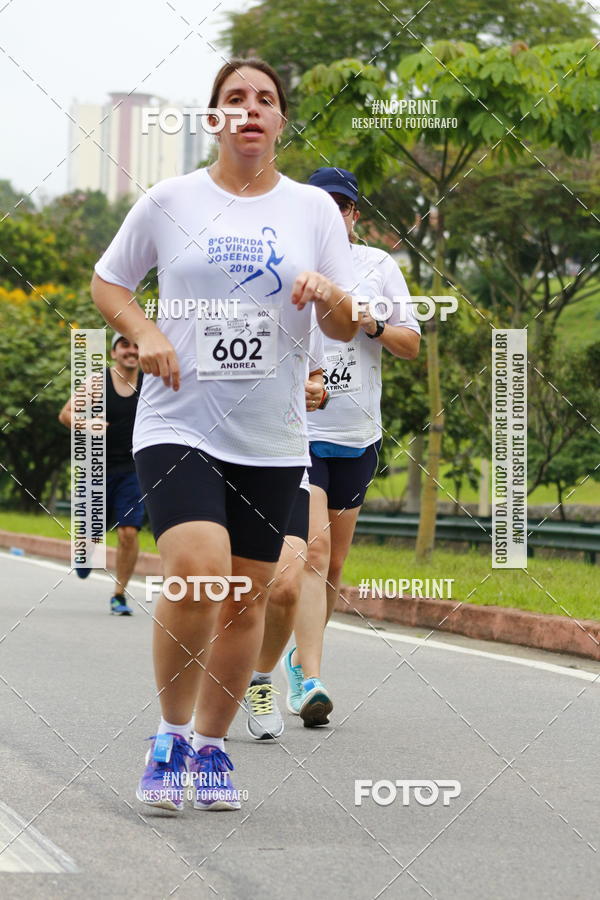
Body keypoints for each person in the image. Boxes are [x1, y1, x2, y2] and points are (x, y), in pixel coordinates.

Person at [90, 59, 358, 811]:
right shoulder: (170, 200)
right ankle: (169, 736)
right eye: (235, 98)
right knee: (199, 572)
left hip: (272, 436)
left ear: (280, 122)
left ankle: (211, 751)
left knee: (245, 599)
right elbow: (108, 280)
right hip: (178, 422)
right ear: (213, 118)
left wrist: (330, 292)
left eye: (265, 100)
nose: (250, 109)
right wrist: (144, 331)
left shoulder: (311, 211)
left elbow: (342, 323)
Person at [282, 167, 421, 727]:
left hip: (358, 436)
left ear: (354, 215)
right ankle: (310, 679)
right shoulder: (291, 265)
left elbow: (411, 343)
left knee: (334, 566)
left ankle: (298, 657)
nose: (334, 213)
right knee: (312, 556)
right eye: (323, 203)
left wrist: (371, 327)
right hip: (300, 436)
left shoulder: (377, 266)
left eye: (343, 205)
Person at [243, 334, 326, 740]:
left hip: (284, 458)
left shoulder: (299, 304)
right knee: (225, 585)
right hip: (215, 458)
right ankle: (211, 680)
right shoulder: (203, 293)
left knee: (286, 585)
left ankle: (259, 681)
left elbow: (315, 377)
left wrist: (315, 391)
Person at [59, 332, 144, 615]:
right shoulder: (97, 383)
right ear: (113, 353)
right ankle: (84, 552)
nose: (131, 351)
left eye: (135, 346)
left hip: (133, 469)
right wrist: (86, 423)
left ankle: (119, 594)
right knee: (91, 535)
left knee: (129, 533)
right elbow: (66, 414)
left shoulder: (150, 384)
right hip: (97, 466)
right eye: (124, 346)